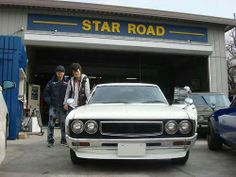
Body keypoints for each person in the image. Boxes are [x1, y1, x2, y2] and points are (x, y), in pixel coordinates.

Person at [44, 65, 68, 147]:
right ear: (56, 73)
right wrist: (50, 102)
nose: (60, 73)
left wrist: (67, 103)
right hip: (53, 106)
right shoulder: (51, 82)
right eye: (58, 72)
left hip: (63, 107)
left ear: (64, 73)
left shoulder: (67, 82)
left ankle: (64, 140)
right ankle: (50, 141)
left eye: (61, 72)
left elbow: (70, 94)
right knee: (51, 124)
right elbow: (46, 94)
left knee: (63, 124)